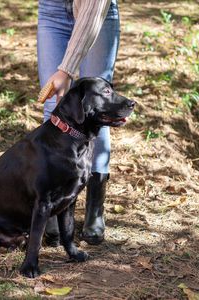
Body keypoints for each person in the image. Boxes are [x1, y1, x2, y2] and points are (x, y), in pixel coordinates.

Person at [37, 0, 120, 245]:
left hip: (96, 14)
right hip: (51, 10)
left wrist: (65, 70)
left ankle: (94, 208)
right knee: (53, 107)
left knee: (97, 110)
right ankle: (55, 204)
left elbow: (93, 8)